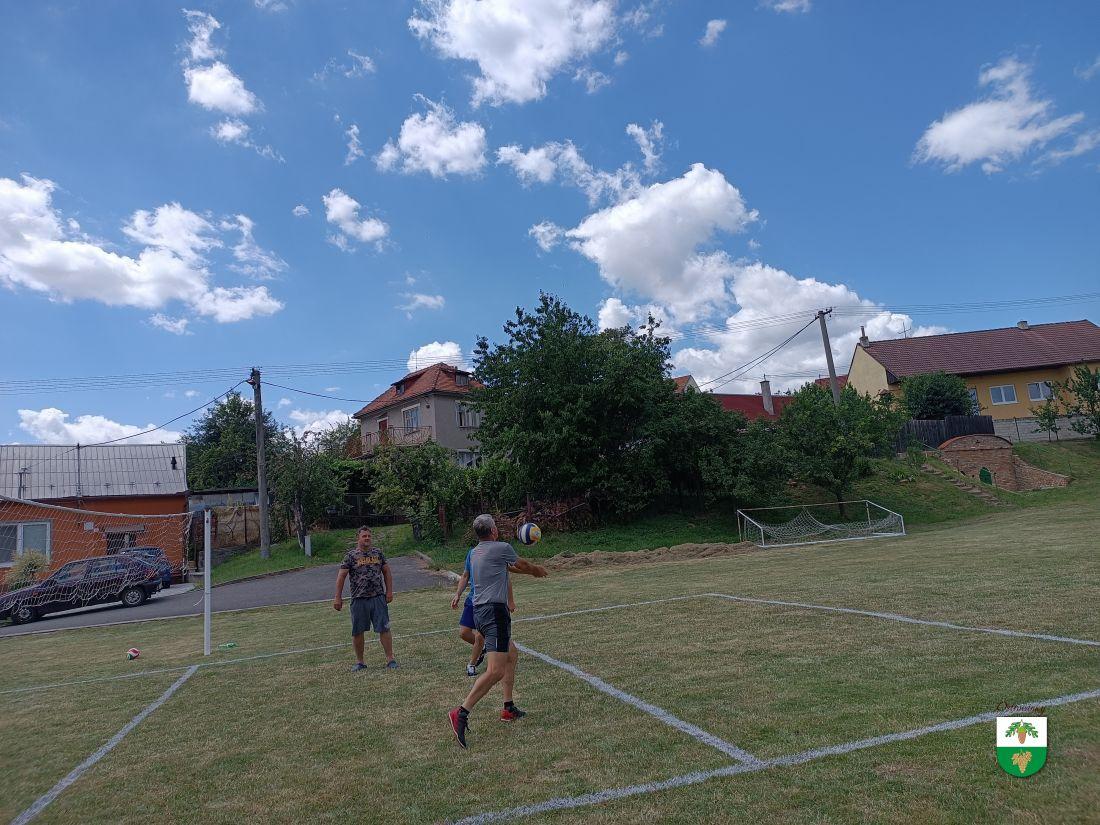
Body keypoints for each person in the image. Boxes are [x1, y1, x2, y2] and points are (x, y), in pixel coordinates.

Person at [448, 514, 548, 749]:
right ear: (493, 530)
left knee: (511, 655)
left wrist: (530, 571)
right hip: (494, 613)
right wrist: (536, 570)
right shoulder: (501, 548)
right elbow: (521, 565)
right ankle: (461, 712)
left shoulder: (475, 552)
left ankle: (508, 707)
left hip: (481, 612)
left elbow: (508, 568)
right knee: (495, 671)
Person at [333, 526, 397, 671]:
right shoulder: (351, 556)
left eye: (369, 536)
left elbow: (387, 572)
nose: (367, 538)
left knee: (384, 628)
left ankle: (390, 659)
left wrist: (389, 592)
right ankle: (360, 662)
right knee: (357, 631)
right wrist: (337, 597)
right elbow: (341, 576)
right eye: (364, 536)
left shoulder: (378, 553)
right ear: (358, 538)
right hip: (359, 599)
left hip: (378, 597)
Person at [451, 549, 486, 677]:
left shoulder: (496, 551)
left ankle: (472, 665)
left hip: (486, 601)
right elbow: (465, 575)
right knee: (464, 633)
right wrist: (457, 594)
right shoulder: (472, 553)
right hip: (472, 599)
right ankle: (484, 648)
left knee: (480, 635)